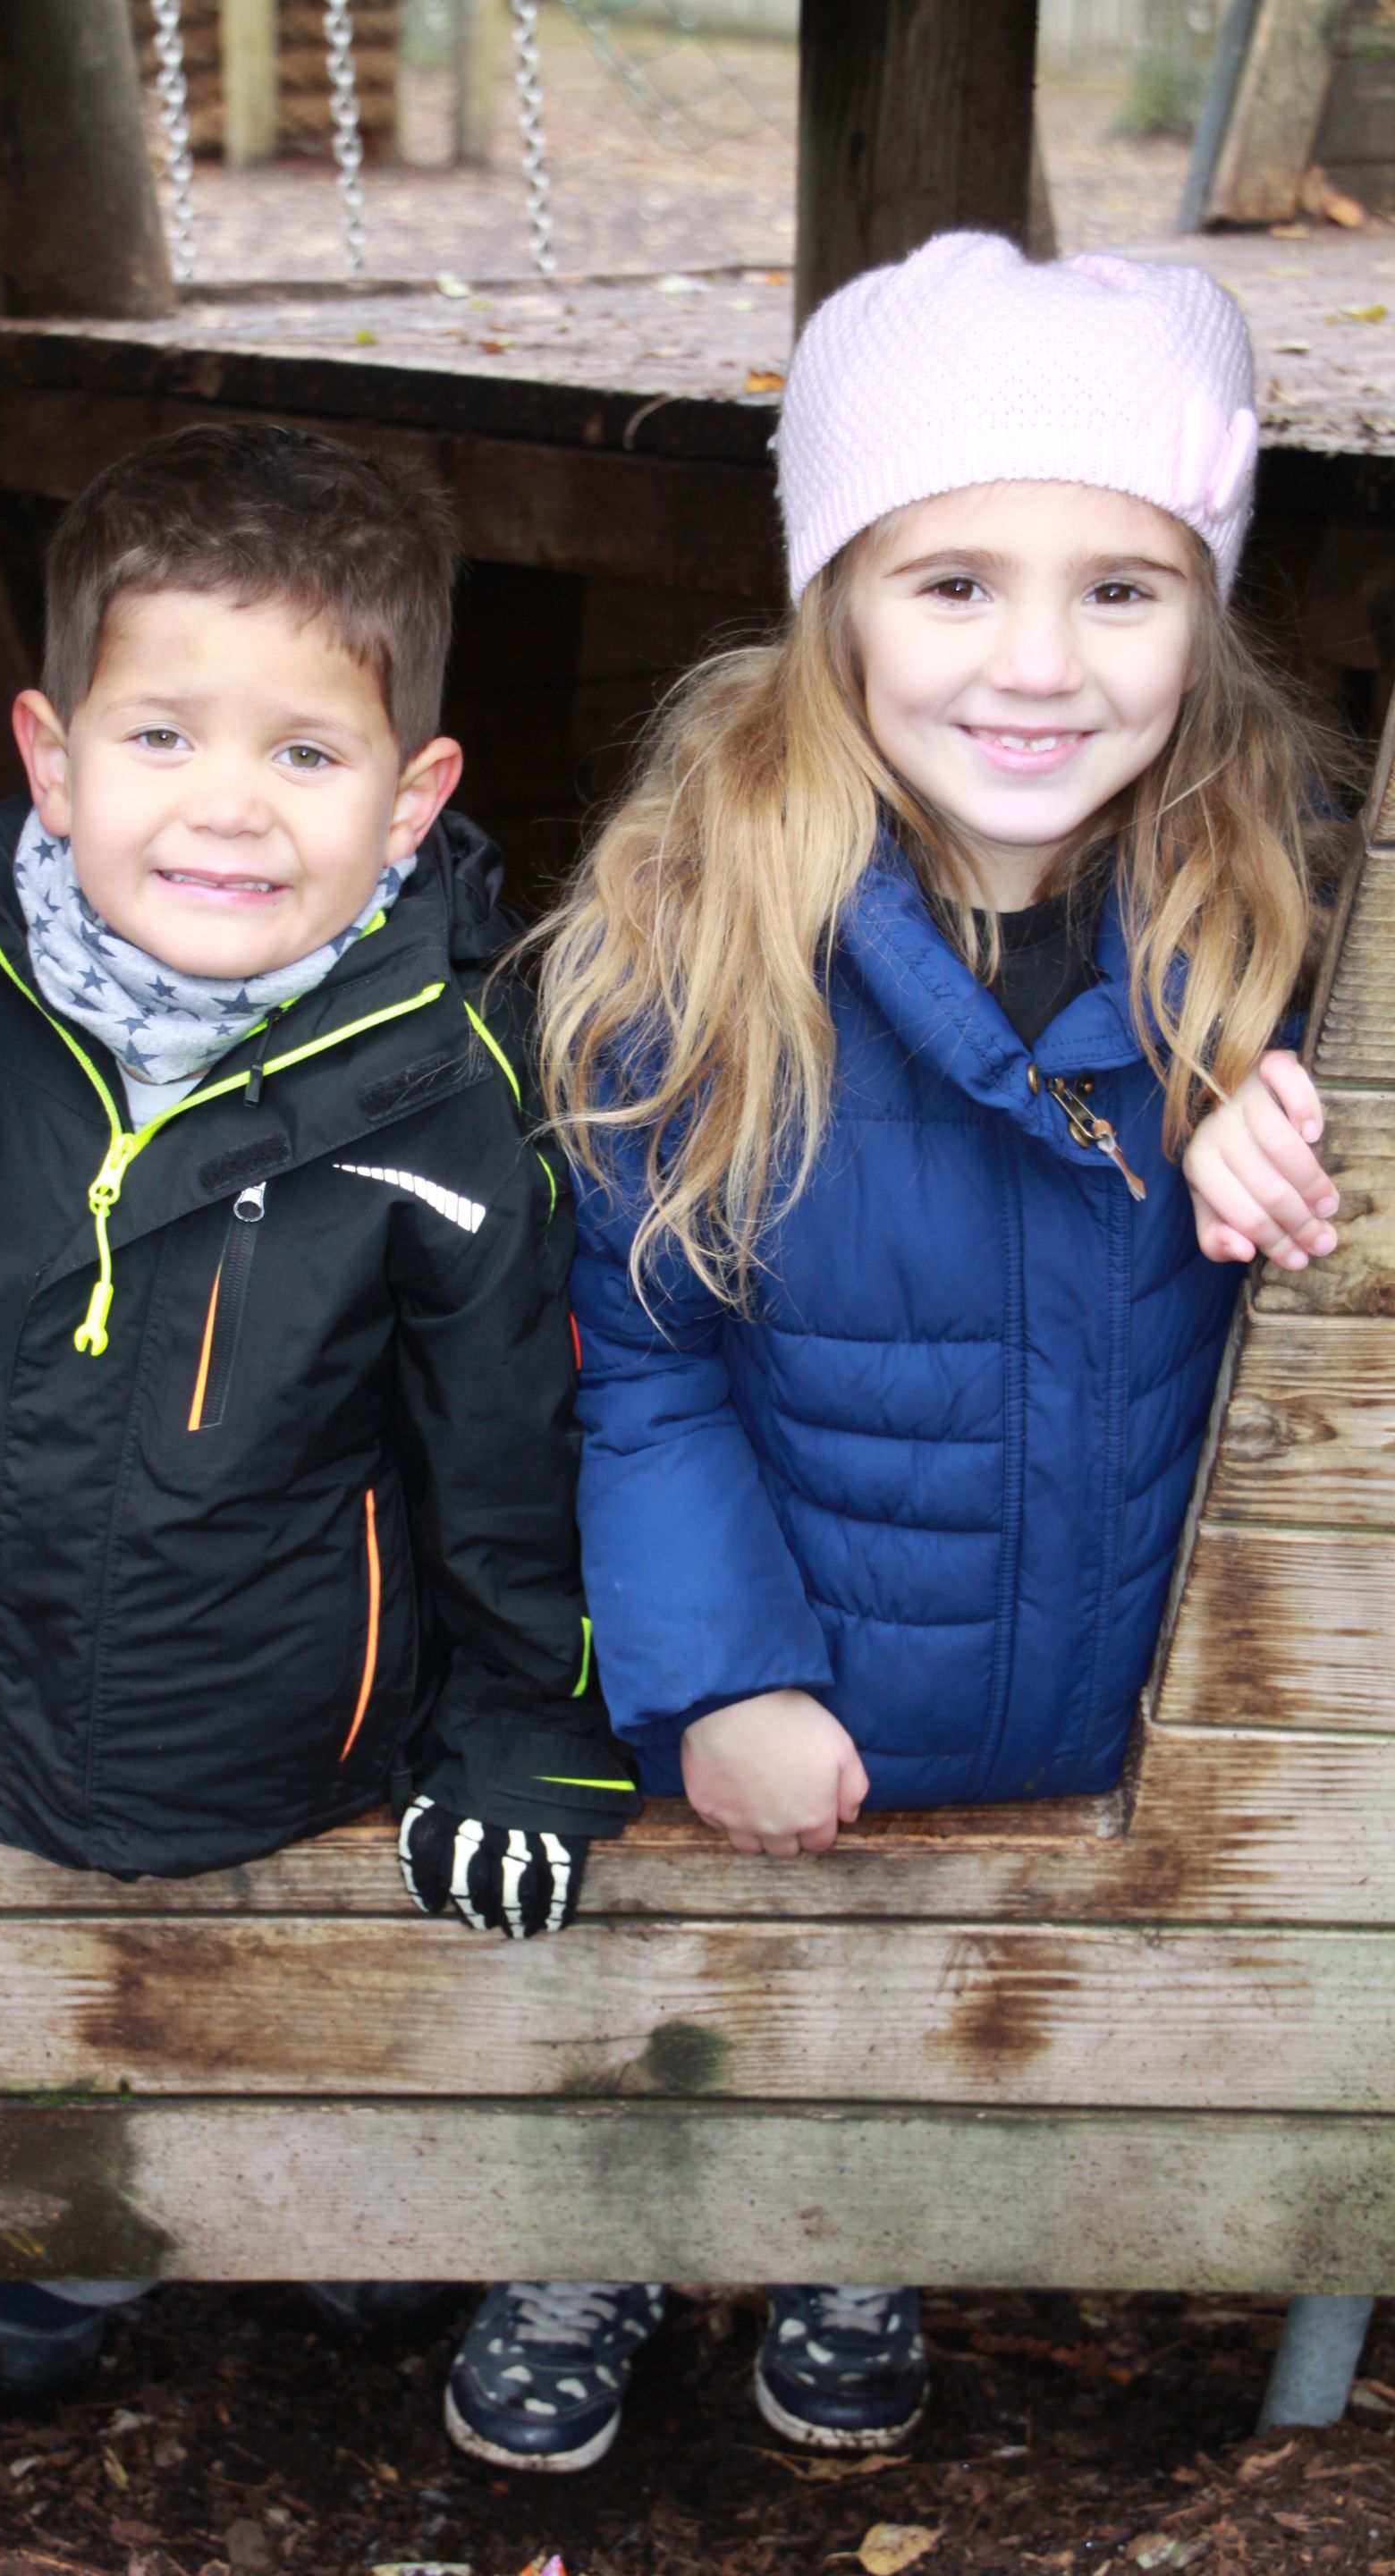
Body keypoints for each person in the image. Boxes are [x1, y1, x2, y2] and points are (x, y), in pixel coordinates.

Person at [438, 232, 1354, 2474]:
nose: (1038, 663)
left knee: (917, 2037)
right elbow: (643, 1360)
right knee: (675, 2010)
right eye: (955, 584)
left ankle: (859, 2239)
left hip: (1090, 1688)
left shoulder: (1279, 928)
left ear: (1207, 616)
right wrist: (718, 1680)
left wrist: (1275, 1110)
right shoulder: (697, 945)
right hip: (798, 1677)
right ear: (837, 605)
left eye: (1121, 589)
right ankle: (594, 2229)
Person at [0, 421, 638, 2393]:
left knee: (298, 2032)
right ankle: (70, 2241)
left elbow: (511, 1454)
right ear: (51, 756)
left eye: (306, 754)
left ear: (411, 801)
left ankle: (317, 2214)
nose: (227, 806)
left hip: (286, 1730)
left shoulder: (444, 1094)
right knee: (17, 2035)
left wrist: (529, 1725)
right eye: (161, 735)